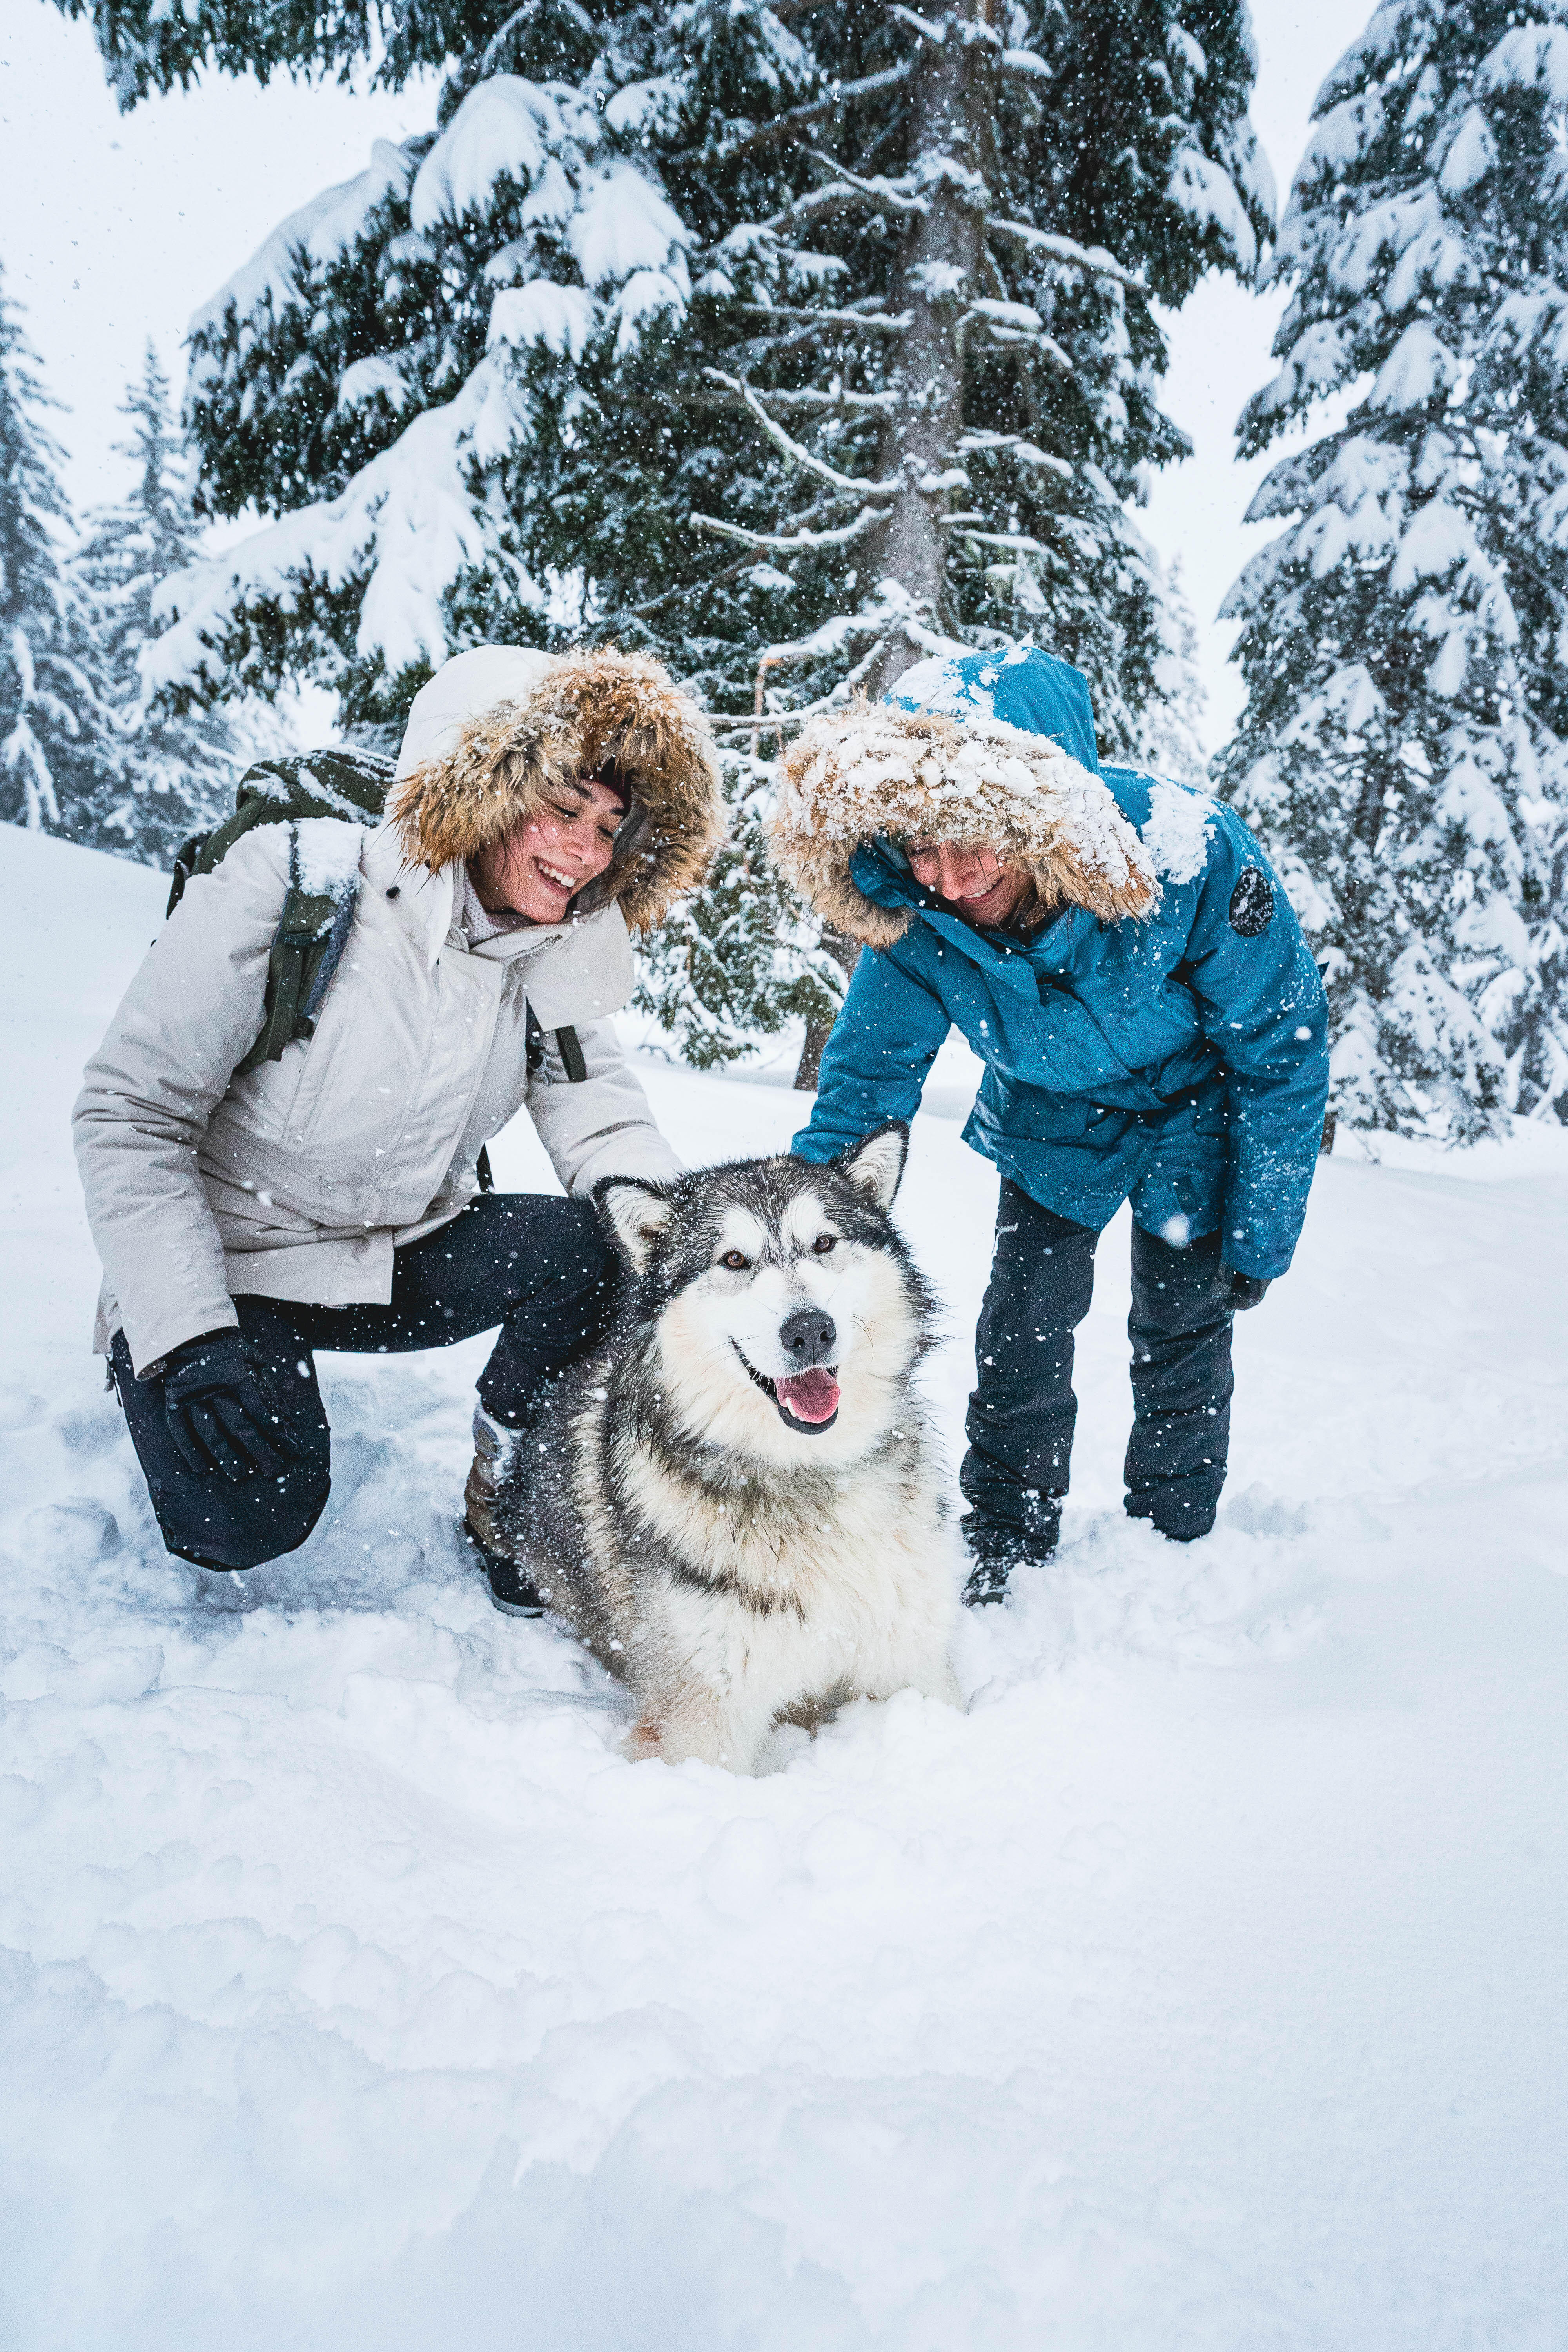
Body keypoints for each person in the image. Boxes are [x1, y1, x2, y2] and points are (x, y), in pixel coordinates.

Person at [73, 644, 721, 1585]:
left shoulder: (552, 949)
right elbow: (130, 1114)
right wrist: (187, 1331)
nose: (584, 853)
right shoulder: (294, 880)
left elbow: (602, 1116)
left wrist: (687, 1254)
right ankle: (164, 1367)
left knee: (612, 1249)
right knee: (242, 1522)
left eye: (611, 827)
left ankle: (516, 1484)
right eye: (562, 809)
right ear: (486, 791)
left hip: (397, 1250)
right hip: (227, 1261)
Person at [770, 645, 1330, 1604]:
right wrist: (800, 1247)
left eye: (974, 843)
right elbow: (866, 1082)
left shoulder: (1189, 856)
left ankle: (1173, 1528)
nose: (947, 877)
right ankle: (1004, 1530)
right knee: (1023, 1324)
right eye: (922, 846)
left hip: (1193, 1111)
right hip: (1050, 1117)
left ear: (1039, 820)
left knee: (1181, 1325)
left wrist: (1263, 1226)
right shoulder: (919, 915)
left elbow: (1281, 1047)